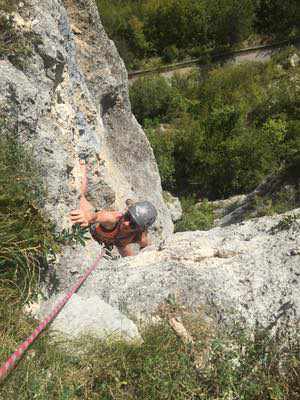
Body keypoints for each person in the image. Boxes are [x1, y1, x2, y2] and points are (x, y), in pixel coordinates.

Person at [69, 160, 157, 257]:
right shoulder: (114, 219)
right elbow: (97, 216)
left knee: (125, 249)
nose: (126, 223)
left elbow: (146, 247)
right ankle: (82, 167)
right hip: (94, 227)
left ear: (140, 229)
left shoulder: (140, 236)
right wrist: (87, 217)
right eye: (128, 216)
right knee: (80, 197)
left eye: (133, 224)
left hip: (116, 242)